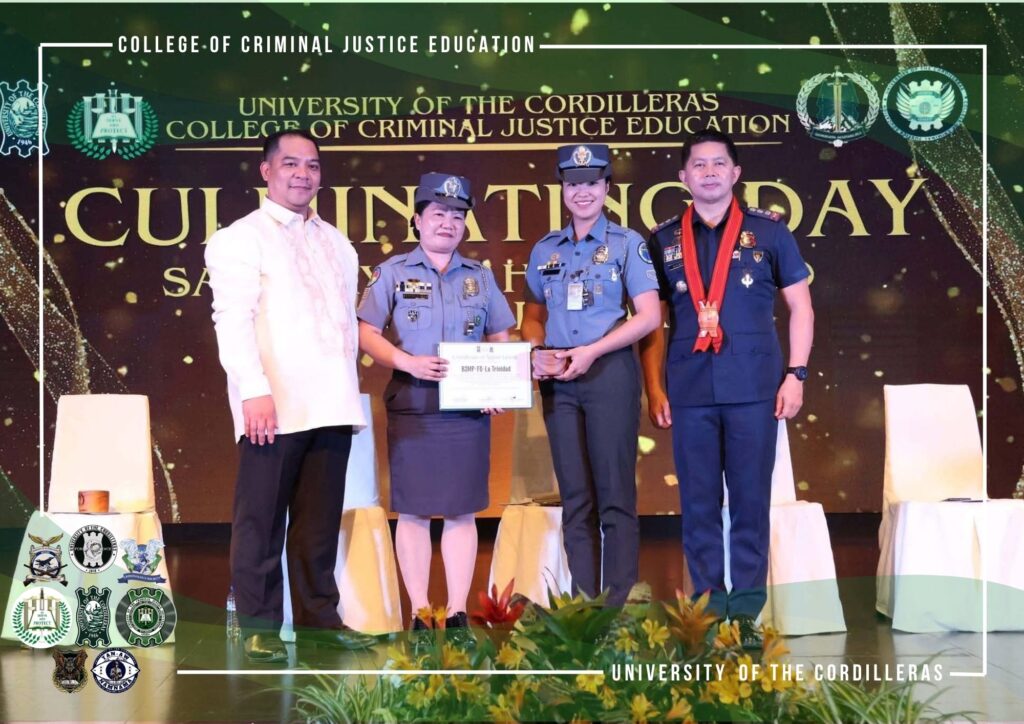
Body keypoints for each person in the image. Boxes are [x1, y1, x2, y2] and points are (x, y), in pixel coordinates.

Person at [206, 129, 376, 663]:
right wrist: (253, 391)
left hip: (332, 402)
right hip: (273, 404)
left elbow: (343, 326)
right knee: (260, 521)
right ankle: (258, 627)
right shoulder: (240, 238)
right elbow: (232, 321)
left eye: (313, 165)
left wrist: (349, 394)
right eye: (291, 164)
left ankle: (319, 622)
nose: (303, 174)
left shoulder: (338, 243)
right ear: (266, 171)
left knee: (318, 525)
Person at [640, 129, 814, 648]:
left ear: (736, 173)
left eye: (719, 163)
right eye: (699, 164)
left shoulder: (770, 232)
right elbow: (651, 324)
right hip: (689, 390)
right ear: (683, 177)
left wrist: (797, 374)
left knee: (749, 505)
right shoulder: (662, 240)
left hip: (754, 389)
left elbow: (801, 307)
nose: (710, 172)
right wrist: (654, 388)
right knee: (697, 506)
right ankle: (708, 615)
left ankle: (746, 617)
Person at [357, 172, 515, 647]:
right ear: (418, 219)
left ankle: (459, 613)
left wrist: (498, 383)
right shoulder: (392, 272)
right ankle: (421, 614)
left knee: (462, 512)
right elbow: (365, 332)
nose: (448, 222)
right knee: (414, 513)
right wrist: (407, 361)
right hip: (414, 405)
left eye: (457, 215)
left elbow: (501, 336)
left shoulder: (480, 277)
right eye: (439, 213)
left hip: (466, 412)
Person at [520, 144, 662, 607]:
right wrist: (536, 351)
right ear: (563, 189)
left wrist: (592, 351)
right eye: (573, 184)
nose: (582, 192)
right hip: (560, 381)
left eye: (592, 183)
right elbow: (532, 316)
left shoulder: (626, 243)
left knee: (615, 495)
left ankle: (617, 608)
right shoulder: (545, 249)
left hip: (609, 373)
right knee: (576, 497)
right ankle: (583, 608)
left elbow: (649, 317)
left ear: (606, 187)